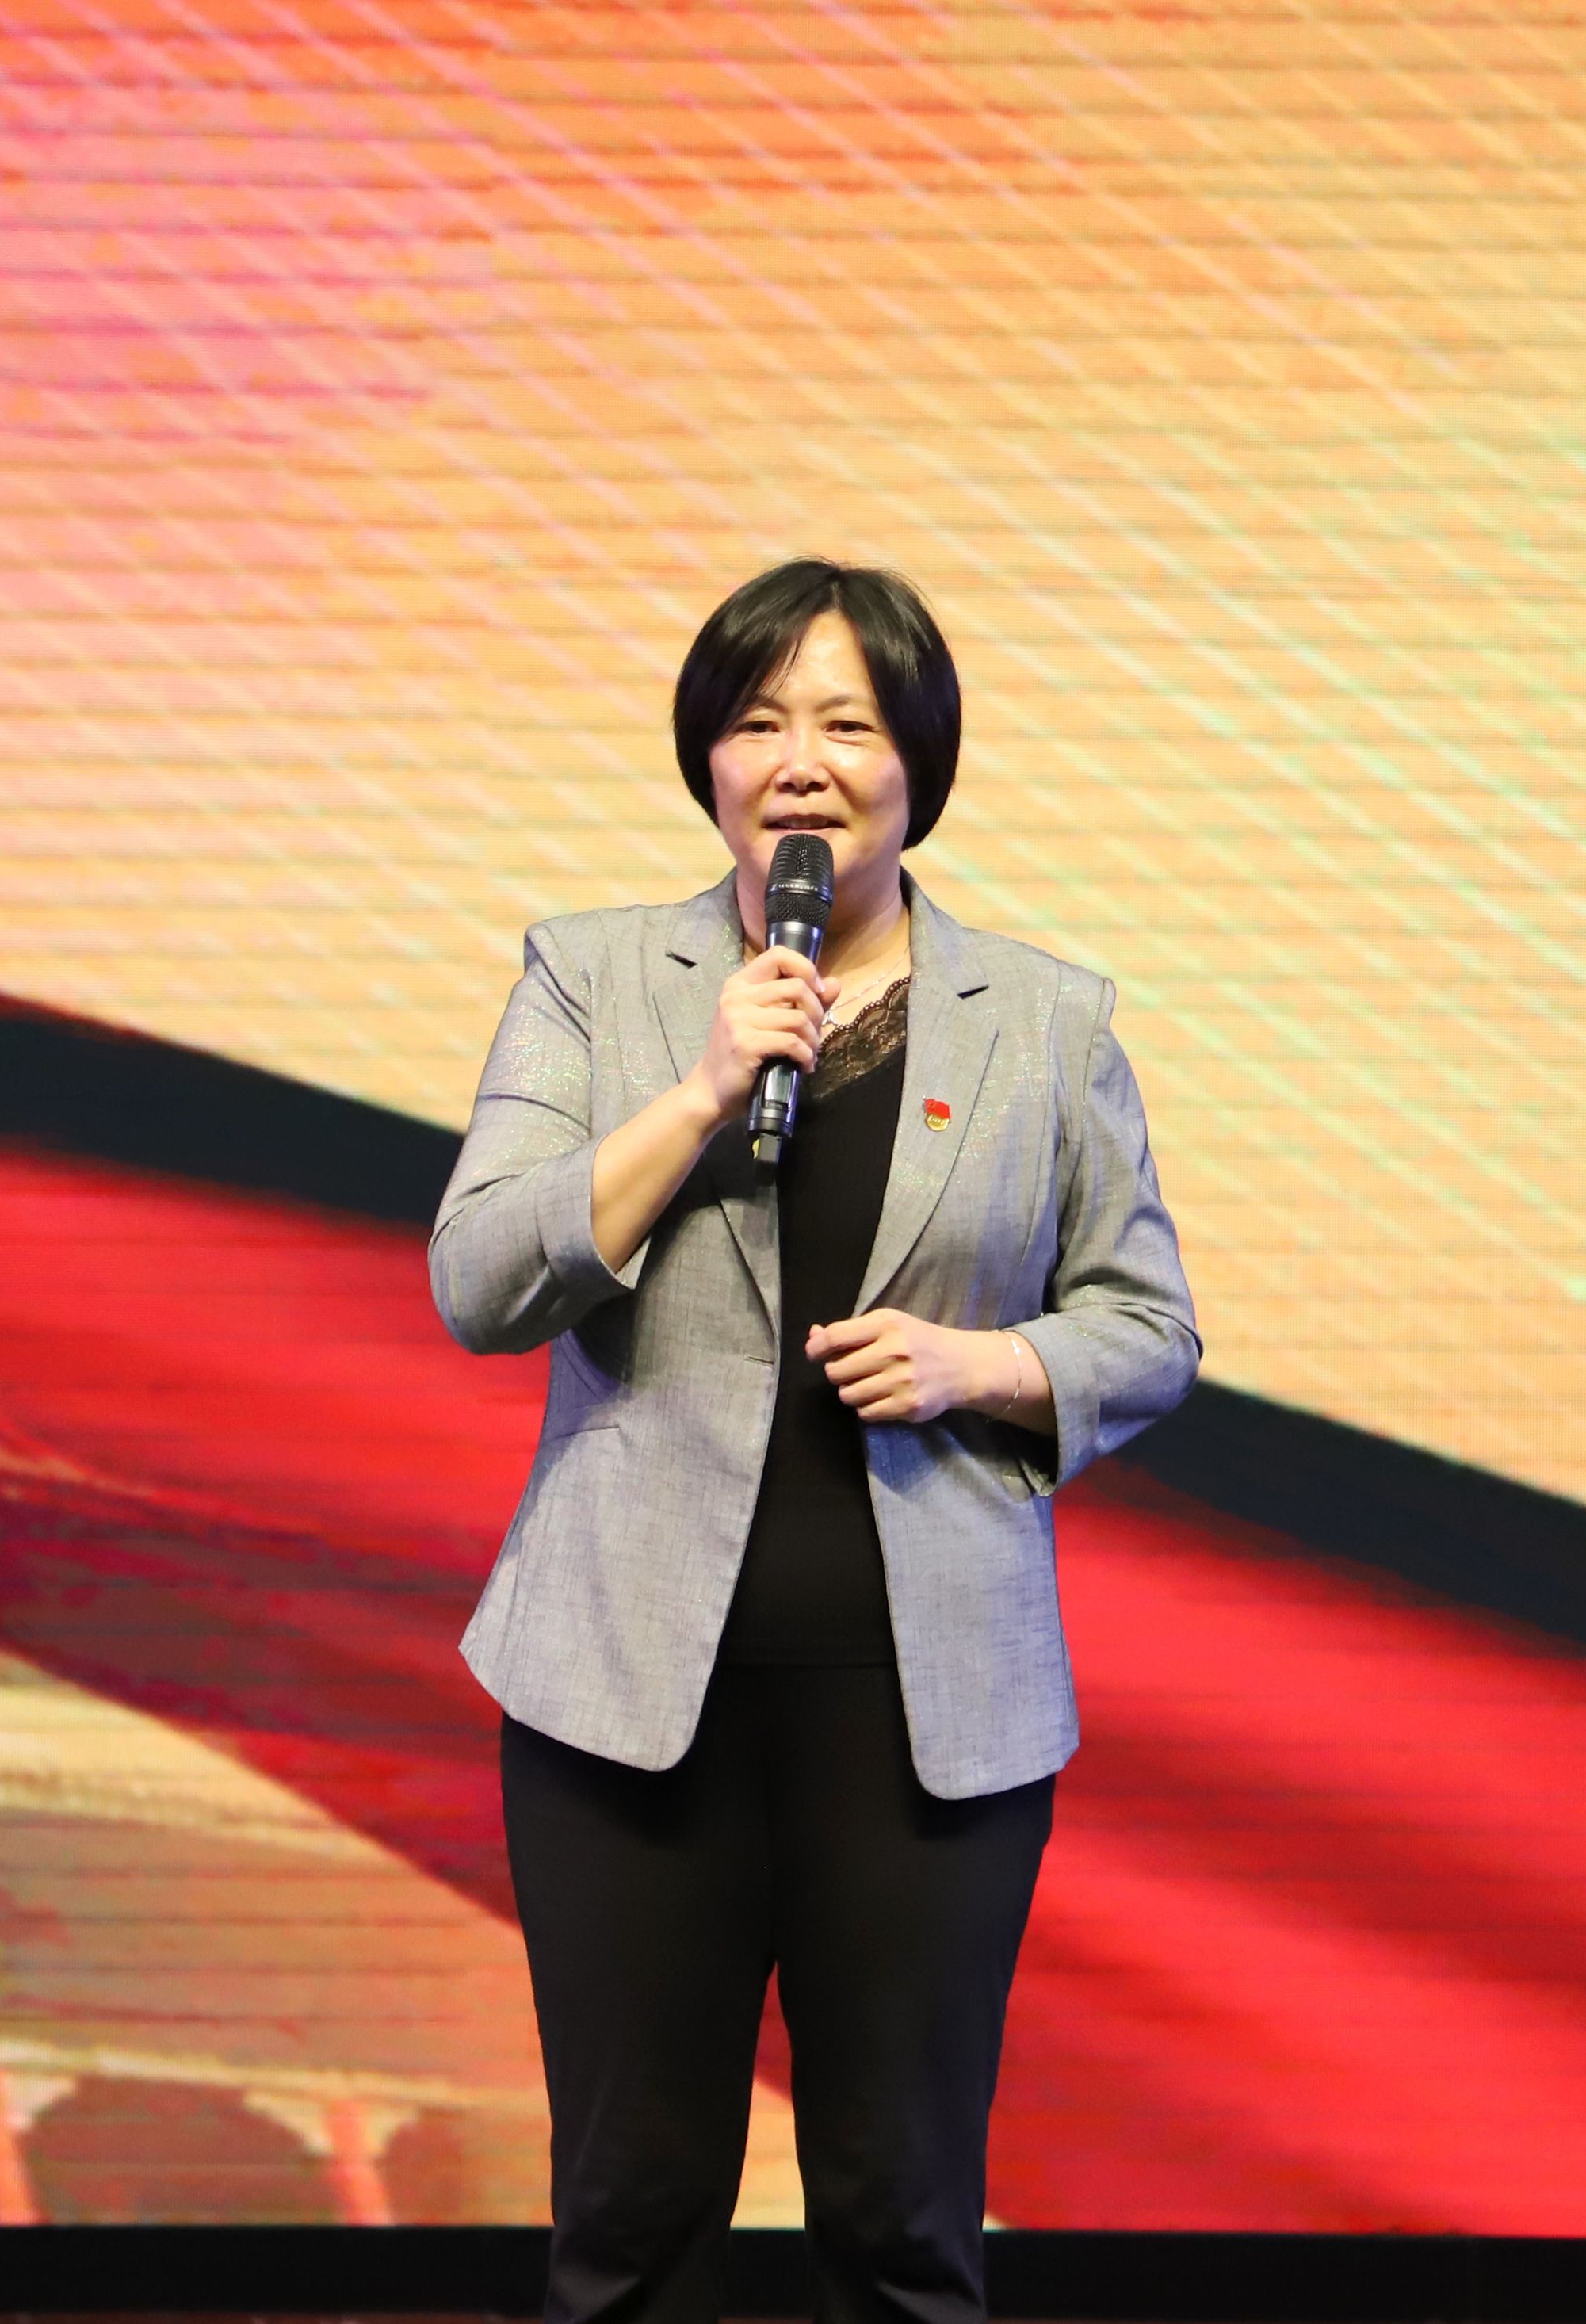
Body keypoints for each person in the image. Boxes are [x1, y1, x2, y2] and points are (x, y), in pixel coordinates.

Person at [430, 559, 1199, 2323]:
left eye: (846, 724)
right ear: (705, 758)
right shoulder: (594, 978)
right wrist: (702, 1091)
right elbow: (479, 1280)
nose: (799, 761)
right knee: (629, 2222)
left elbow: (1146, 1326)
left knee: (902, 2221)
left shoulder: (1046, 1020)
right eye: (759, 721)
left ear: (917, 762)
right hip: (628, 1701)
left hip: (925, 1716)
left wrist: (979, 1363)